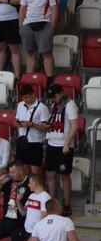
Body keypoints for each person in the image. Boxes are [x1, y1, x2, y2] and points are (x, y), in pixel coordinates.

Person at [19, 0, 58, 77]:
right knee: (30, 54)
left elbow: (55, 8)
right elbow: (22, 8)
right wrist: (21, 26)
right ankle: (30, 79)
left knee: (46, 53)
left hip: (44, 24)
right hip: (28, 24)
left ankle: (50, 79)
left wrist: (52, 27)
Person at [44, 83, 79, 212]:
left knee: (64, 175)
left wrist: (66, 144)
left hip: (63, 145)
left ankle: (67, 205)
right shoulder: (54, 105)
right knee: (50, 174)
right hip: (52, 143)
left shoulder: (70, 104)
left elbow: (75, 127)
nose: (53, 99)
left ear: (61, 93)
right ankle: (53, 204)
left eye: (54, 96)